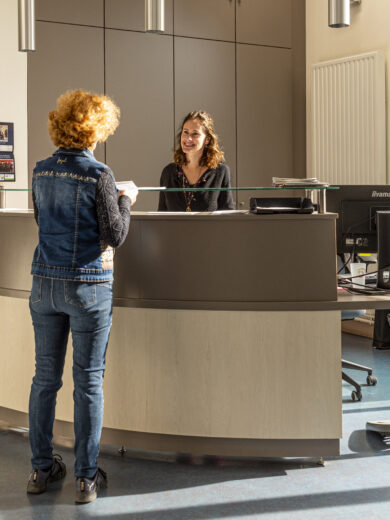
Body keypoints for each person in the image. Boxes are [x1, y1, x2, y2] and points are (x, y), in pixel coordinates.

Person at [26, 89, 138, 503]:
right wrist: (127, 200)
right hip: (88, 287)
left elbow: (42, 220)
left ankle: (40, 471)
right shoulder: (99, 175)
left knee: (44, 379)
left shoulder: (39, 170)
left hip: (43, 285)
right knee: (87, 383)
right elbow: (115, 234)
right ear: (96, 129)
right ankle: (85, 479)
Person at [158, 110, 234, 212]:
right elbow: (161, 215)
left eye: (195, 134)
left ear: (207, 139)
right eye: (185, 132)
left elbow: (228, 215)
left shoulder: (221, 172)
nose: (188, 138)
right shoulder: (168, 172)